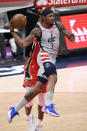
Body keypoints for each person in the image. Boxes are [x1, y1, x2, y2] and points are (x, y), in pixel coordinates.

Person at [8, 8, 75, 123]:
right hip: (43, 57)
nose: (53, 18)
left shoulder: (58, 25)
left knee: (36, 90)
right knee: (53, 76)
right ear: (44, 17)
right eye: (50, 16)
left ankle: (14, 109)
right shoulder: (37, 30)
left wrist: (70, 36)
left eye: (53, 16)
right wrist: (13, 32)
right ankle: (48, 106)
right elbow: (24, 44)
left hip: (52, 58)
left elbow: (68, 36)